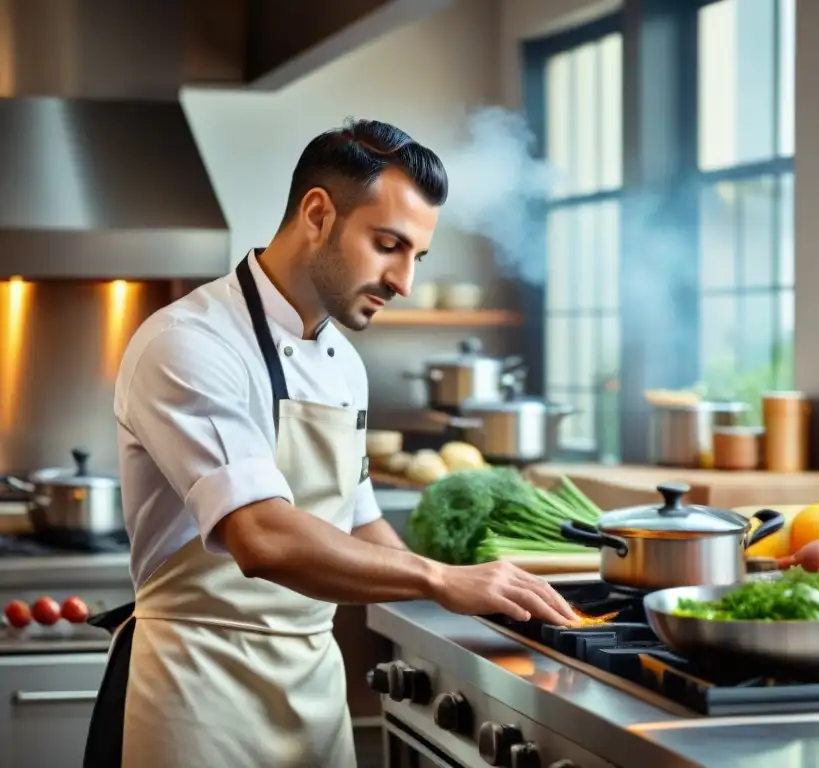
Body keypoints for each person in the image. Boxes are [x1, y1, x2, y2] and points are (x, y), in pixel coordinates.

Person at [82, 119, 577, 768]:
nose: (405, 282)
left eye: (416, 258)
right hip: (195, 694)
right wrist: (439, 578)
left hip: (313, 693)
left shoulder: (343, 361)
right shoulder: (189, 343)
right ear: (318, 213)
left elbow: (359, 521)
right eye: (388, 245)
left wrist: (486, 608)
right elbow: (262, 538)